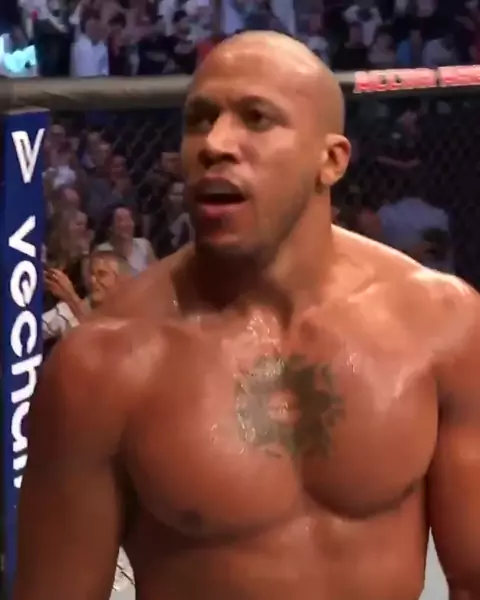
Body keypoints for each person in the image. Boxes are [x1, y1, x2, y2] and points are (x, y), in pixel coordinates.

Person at [15, 31, 480, 600]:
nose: (214, 143)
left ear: (331, 160)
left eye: (256, 119)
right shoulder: (103, 365)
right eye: (199, 120)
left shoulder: (439, 322)